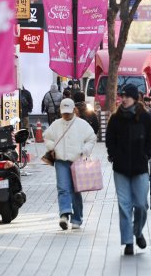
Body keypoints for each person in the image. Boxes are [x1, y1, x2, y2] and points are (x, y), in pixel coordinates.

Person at [105, 84, 151, 255]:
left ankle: (138, 231)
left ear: (135, 98)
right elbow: (109, 138)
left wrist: (146, 154)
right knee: (124, 205)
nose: (123, 99)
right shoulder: (116, 118)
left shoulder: (145, 118)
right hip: (121, 169)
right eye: (122, 96)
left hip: (140, 168)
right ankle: (128, 242)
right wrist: (113, 154)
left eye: (127, 96)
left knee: (141, 205)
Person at [44, 98, 97, 230]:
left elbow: (91, 138)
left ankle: (77, 218)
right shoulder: (56, 124)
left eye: (68, 112)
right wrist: (52, 148)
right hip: (61, 160)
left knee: (75, 190)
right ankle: (64, 214)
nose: (66, 115)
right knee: (62, 188)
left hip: (77, 161)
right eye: (64, 112)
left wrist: (85, 150)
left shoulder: (82, 124)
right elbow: (47, 137)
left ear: (74, 110)